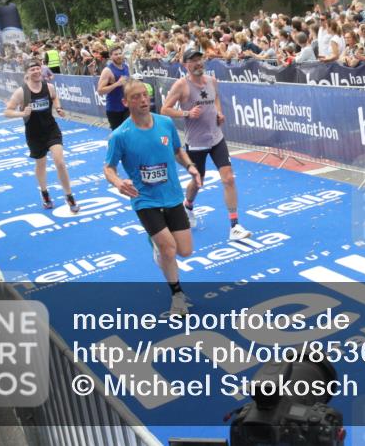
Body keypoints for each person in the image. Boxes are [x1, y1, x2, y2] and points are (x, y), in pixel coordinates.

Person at [105, 79, 203, 316]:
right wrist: (119, 182)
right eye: (136, 97)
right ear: (125, 102)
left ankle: (158, 247)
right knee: (168, 249)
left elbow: (178, 151)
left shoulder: (165, 123)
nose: (142, 100)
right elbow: (108, 168)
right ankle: (177, 297)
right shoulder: (120, 135)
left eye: (145, 95)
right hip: (144, 199)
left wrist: (190, 166)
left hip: (171, 196)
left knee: (185, 251)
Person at [160, 49, 251, 242]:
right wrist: (186, 114)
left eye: (199, 59)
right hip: (196, 143)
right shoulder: (181, 85)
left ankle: (234, 226)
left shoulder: (212, 80)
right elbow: (164, 109)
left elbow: (216, 97)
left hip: (216, 138)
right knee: (197, 181)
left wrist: (218, 112)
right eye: (193, 61)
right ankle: (188, 205)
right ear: (185, 65)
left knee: (228, 179)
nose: (198, 63)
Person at [4, 59, 80, 212]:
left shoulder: (49, 87)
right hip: (33, 133)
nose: (36, 71)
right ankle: (44, 193)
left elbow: (54, 97)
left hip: (51, 129)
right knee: (41, 164)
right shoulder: (22, 92)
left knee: (59, 161)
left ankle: (69, 195)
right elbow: (7, 111)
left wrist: (58, 108)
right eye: (32, 70)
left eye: (38, 69)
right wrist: (21, 113)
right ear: (27, 73)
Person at [97, 46, 131, 130]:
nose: (119, 56)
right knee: (117, 136)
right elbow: (100, 90)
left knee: (129, 132)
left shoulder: (126, 67)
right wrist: (117, 84)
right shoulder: (107, 70)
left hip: (127, 106)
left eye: (120, 53)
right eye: (116, 54)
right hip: (114, 109)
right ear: (111, 56)